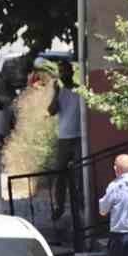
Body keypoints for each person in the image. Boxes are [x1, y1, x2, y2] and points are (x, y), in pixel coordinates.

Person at [49, 61, 85, 220]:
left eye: (65, 71)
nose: (62, 74)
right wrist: (55, 93)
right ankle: (60, 206)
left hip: (79, 137)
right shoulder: (60, 92)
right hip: (64, 138)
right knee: (60, 174)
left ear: (71, 72)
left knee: (80, 174)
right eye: (60, 71)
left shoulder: (80, 91)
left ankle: (81, 205)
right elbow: (51, 111)